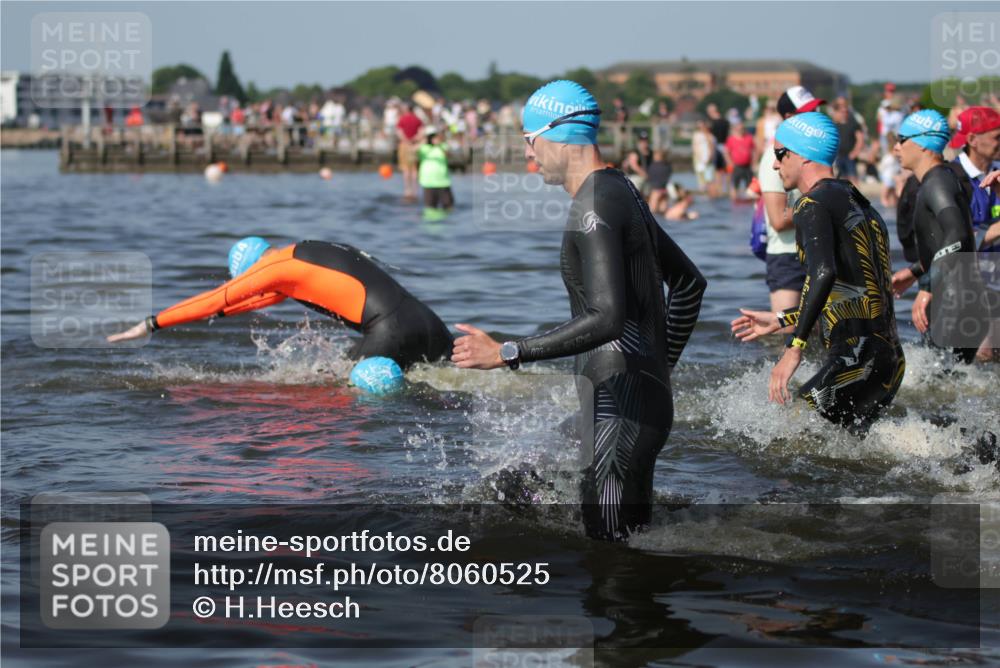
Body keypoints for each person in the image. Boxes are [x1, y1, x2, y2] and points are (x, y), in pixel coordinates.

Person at [451, 80, 706, 542]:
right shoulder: (618, 190)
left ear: (559, 134)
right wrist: (657, 371)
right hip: (629, 400)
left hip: (620, 409)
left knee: (612, 563)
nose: (530, 155)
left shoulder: (594, 201)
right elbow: (689, 284)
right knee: (527, 494)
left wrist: (508, 352)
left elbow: (608, 317)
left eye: (529, 141)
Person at [732, 112, 905, 434]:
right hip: (889, 359)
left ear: (802, 155)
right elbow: (851, 294)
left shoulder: (811, 204)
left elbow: (822, 274)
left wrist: (793, 348)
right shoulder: (859, 202)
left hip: (854, 360)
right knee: (850, 455)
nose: (774, 165)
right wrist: (781, 319)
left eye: (779, 154)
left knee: (790, 436)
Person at [106, 238, 453, 369]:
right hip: (428, 323)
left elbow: (215, 299)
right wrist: (224, 314)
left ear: (250, 271)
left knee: (346, 399)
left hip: (388, 333)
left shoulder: (275, 268)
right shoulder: (308, 255)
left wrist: (151, 324)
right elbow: (253, 302)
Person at [889, 110, 991, 364]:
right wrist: (915, 271)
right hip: (963, 300)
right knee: (949, 385)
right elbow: (947, 241)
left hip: (956, 301)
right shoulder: (941, 179)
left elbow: (958, 235)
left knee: (940, 387)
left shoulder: (937, 183)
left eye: (902, 139)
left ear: (923, 143)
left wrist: (927, 287)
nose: (895, 147)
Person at [757, 86, 827, 313]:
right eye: (809, 110)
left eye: (817, 108)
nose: (816, 114)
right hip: (787, 256)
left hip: (816, 249)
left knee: (820, 339)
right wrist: (823, 205)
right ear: (789, 117)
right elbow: (777, 219)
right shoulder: (774, 156)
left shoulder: (812, 151)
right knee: (785, 337)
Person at [417, 127, 454, 212]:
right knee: (430, 209)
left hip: (443, 183)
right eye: (431, 137)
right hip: (428, 183)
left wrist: (439, 144)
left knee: (449, 207)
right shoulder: (423, 147)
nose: (433, 139)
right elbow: (412, 151)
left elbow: (449, 155)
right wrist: (423, 140)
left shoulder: (443, 146)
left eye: (435, 136)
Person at [831, 97, 864, 185]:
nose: (843, 113)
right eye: (841, 111)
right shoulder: (835, 124)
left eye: (845, 111)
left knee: (853, 178)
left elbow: (860, 139)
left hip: (850, 156)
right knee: (841, 178)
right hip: (839, 155)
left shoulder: (853, 124)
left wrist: (855, 153)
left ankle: (856, 196)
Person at [396, 104, 423, 201]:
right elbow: (421, 133)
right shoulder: (418, 120)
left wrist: (406, 140)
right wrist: (413, 140)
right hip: (415, 145)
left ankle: (407, 190)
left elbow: (399, 132)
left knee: (406, 169)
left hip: (404, 145)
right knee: (415, 169)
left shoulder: (402, 119)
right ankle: (415, 190)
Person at [725, 121, 755, 199]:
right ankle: (734, 204)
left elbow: (754, 150)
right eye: (739, 129)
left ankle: (748, 205)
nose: (741, 130)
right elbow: (726, 152)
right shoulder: (731, 139)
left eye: (742, 129)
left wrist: (754, 162)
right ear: (735, 129)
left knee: (749, 187)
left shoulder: (749, 138)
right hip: (736, 166)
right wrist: (730, 162)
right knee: (735, 186)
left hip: (747, 166)